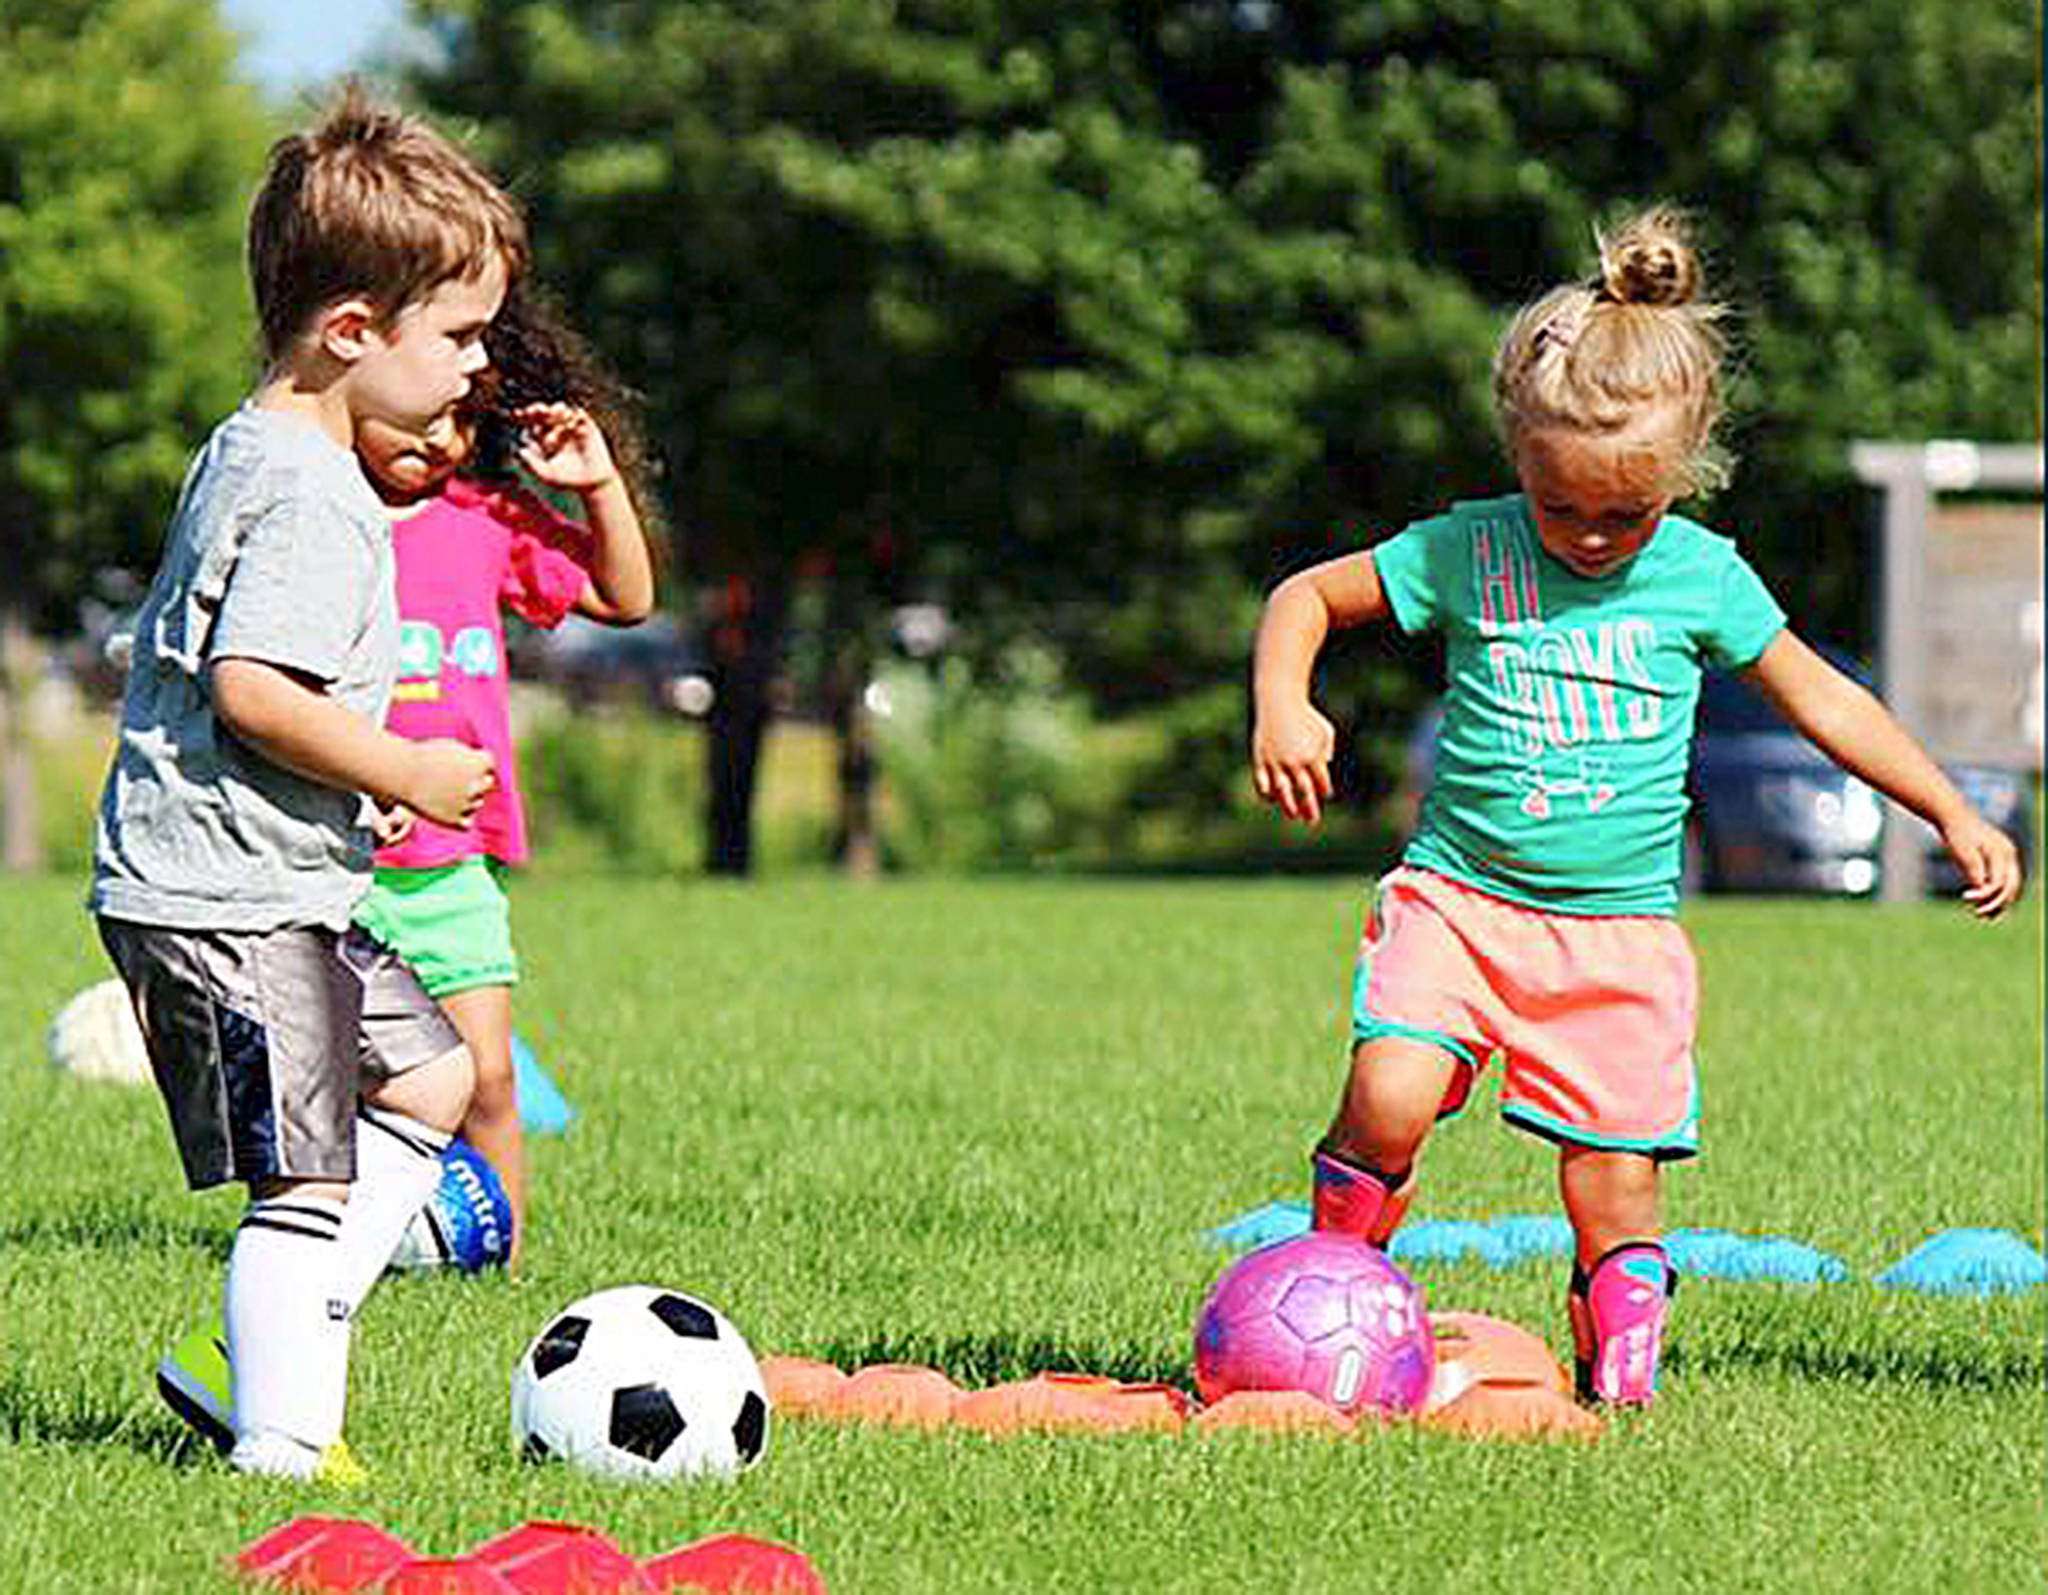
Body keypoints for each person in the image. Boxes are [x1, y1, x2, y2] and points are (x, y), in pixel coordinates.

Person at [1248, 205, 2025, 1408]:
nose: (1596, 535)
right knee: (1388, 1094)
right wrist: (1284, 706)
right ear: (1519, 458)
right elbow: (1305, 596)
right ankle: (1337, 1281)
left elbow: (1824, 699)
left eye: (1628, 511)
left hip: (1614, 940)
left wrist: (1945, 809)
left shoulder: (1700, 575)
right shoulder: (1467, 551)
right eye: (1565, 509)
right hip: (1456, 905)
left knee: (1612, 1188)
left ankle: (1617, 1355)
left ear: (1685, 465)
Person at [90, 83, 526, 1481]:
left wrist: (359, 794)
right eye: (458, 336)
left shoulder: (269, 446)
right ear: (352, 331)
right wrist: (400, 758)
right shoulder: (309, 494)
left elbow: (270, 700)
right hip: (223, 893)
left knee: (438, 1077)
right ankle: (281, 1438)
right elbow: (252, 689)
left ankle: (254, 1350)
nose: (477, 366)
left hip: (284, 870)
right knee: (311, 1170)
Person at [351, 280, 659, 1271]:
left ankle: (497, 1263)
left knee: (487, 1081)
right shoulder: (315, 521)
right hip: (332, 864)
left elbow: (625, 595)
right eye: (421, 413)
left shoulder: (484, 523)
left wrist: (596, 482)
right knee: (353, 1094)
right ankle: (334, 1254)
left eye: (459, 421)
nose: (437, 437)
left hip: (449, 873)